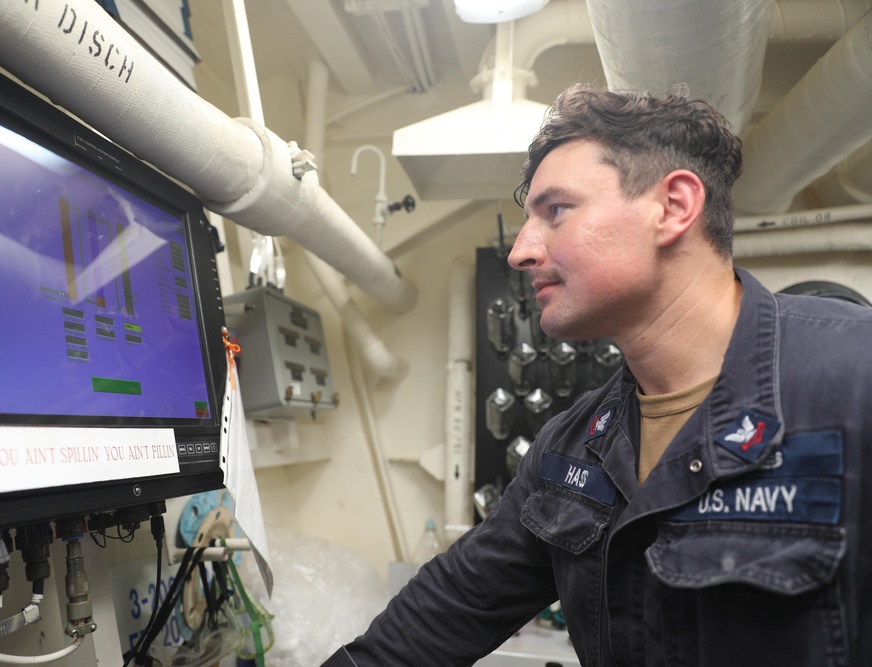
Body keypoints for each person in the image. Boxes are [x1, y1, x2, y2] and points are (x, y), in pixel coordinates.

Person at [321, 84, 872, 666]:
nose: (520, 251)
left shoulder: (854, 378)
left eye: (555, 210)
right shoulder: (572, 449)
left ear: (674, 206)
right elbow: (437, 619)